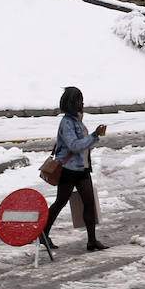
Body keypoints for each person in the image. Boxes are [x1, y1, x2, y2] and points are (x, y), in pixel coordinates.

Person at [42, 86, 109, 251]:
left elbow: (81, 146)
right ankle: (42, 234)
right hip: (68, 170)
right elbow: (74, 146)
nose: (83, 103)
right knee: (60, 202)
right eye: (80, 100)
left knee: (89, 202)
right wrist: (94, 136)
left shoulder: (77, 120)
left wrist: (93, 137)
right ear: (73, 103)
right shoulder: (67, 123)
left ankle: (92, 240)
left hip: (82, 169)